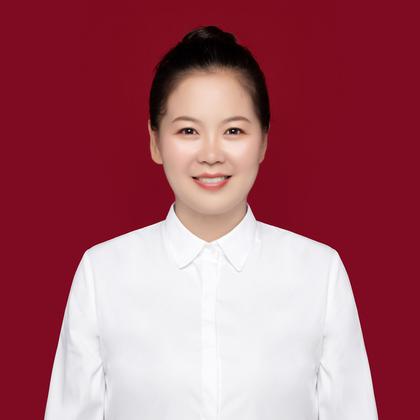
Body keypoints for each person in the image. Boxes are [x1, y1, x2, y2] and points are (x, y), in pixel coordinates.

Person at [44, 25, 378, 420]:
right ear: (155, 141)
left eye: (233, 130)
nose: (211, 154)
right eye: (188, 130)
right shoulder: (102, 274)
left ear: (264, 141)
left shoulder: (320, 274)